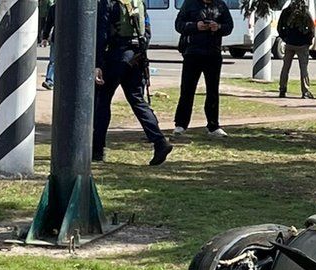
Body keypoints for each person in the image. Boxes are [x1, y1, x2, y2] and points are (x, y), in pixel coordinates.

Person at [93, 0, 174, 165]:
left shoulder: (108, 3)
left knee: (102, 101)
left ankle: (97, 150)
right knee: (138, 100)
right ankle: (159, 141)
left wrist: (98, 64)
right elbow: (147, 31)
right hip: (136, 57)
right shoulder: (138, 2)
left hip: (116, 56)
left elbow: (102, 34)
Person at [173, 0, 234, 137]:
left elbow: (229, 26)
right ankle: (180, 124)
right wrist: (195, 26)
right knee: (187, 90)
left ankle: (213, 125)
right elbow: (179, 25)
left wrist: (217, 26)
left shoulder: (220, 5)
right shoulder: (190, 3)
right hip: (192, 53)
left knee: (212, 91)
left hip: (213, 53)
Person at [277, 0, 314, 99]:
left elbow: (279, 27)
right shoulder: (305, 12)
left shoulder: (286, 12)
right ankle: (305, 91)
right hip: (302, 44)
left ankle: (282, 89)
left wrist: (285, 38)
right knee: (304, 69)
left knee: (285, 67)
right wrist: (309, 41)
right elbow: (311, 28)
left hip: (289, 43)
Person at [40, 0, 55, 90]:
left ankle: (51, 80)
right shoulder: (53, 9)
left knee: (53, 61)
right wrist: (45, 38)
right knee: (53, 61)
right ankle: (50, 81)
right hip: (56, 39)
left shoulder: (53, 8)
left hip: (67, 39)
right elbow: (48, 24)